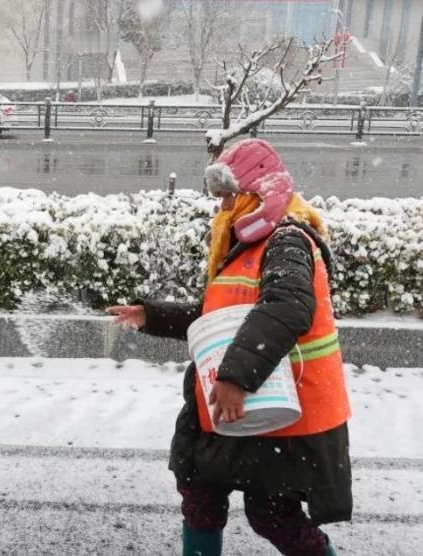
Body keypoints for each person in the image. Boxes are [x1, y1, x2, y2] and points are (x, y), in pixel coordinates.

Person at [107, 139, 351, 556]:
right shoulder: (249, 247)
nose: (222, 208)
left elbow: (288, 306)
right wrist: (152, 315)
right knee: (201, 495)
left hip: (282, 408)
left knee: (272, 514)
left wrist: (236, 377)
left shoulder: (288, 240)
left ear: (259, 192)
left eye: (228, 197)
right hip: (242, 399)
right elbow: (221, 315)